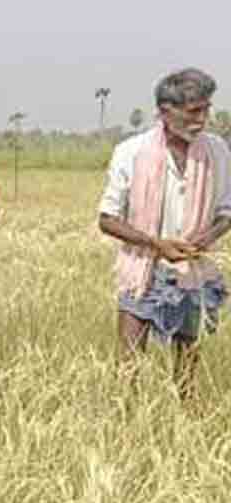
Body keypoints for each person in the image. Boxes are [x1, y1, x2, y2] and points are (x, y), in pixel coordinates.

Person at [98, 68, 231, 398]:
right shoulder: (131, 152)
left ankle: (182, 433)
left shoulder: (217, 151)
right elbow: (107, 218)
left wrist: (208, 236)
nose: (202, 119)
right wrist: (157, 245)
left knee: (187, 368)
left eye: (205, 109)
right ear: (165, 111)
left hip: (191, 271)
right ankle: (125, 434)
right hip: (143, 272)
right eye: (193, 111)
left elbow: (227, 210)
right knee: (128, 369)